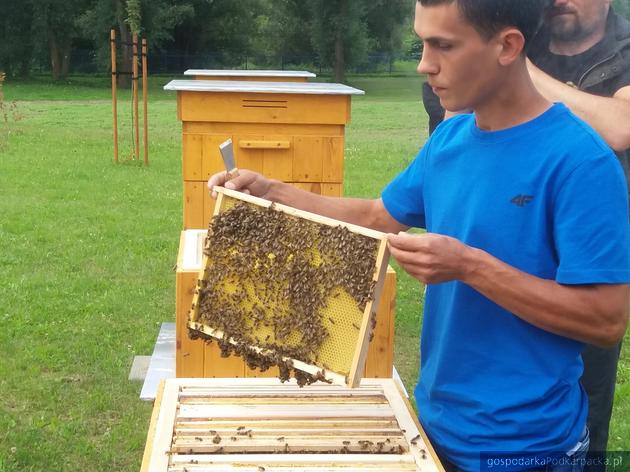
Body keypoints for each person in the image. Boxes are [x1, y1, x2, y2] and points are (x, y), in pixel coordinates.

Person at [209, 0, 630, 470]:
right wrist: (273, 191)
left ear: (507, 46)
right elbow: (375, 216)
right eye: (423, 41)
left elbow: (606, 320)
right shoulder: (449, 142)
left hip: (527, 448)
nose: (424, 64)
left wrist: (470, 266)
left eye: (443, 46)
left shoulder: (581, 162)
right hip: (434, 427)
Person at [423, 0, 630, 462]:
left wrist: (515, 68)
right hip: (452, 418)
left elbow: (620, 127)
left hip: (591, 253)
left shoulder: (584, 153)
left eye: (443, 46)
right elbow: (384, 210)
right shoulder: (525, 41)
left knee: (583, 406)